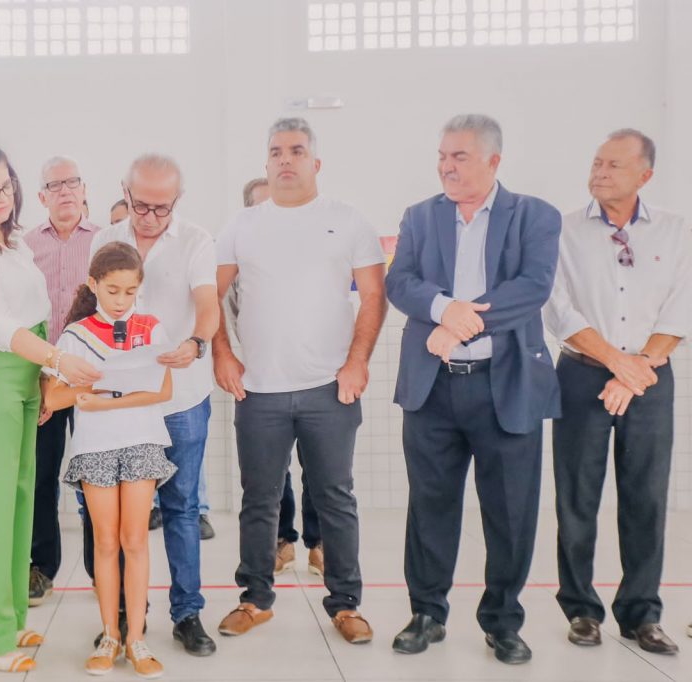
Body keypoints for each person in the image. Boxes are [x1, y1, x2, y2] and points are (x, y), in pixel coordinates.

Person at [386, 114, 561, 665]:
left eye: (459, 156)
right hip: (432, 388)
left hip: (505, 387)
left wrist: (462, 326)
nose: (447, 166)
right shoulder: (419, 215)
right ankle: (427, 613)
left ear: (493, 160)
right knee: (430, 505)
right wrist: (444, 310)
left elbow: (531, 288)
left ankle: (503, 622)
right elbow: (400, 282)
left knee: (510, 512)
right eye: (442, 155)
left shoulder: (534, 215)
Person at [213, 117, 387, 644]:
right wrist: (223, 353)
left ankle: (346, 604)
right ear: (266, 162)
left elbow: (374, 297)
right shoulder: (241, 226)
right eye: (276, 151)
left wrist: (357, 361)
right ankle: (254, 599)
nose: (285, 159)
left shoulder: (348, 220)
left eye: (296, 150)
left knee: (335, 498)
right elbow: (208, 295)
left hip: (329, 389)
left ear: (316, 162)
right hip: (259, 390)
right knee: (259, 500)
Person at [0, 141, 101, 673]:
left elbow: (35, 312)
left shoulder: (12, 242)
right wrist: (57, 360)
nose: (2, 197)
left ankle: (6, 618)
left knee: (17, 502)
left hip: (24, 372)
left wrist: (43, 375)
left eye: (6, 185)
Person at [544, 129, 689, 655]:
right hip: (582, 374)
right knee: (576, 498)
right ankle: (581, 610)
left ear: (644, 175)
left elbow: (681, 306)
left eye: (614, 166)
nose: (600, 173)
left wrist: (637, 369)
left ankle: (641, 613)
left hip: (649, 378)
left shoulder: (675, 231)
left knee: (646, 498)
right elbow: (558, 308)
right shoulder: (562, 230)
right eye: (597, 163)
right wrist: (616, 363)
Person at [90, 153, 219, 657]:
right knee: (126, 518)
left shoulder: (196, 241)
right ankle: (125, 615)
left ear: (177, 200)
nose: (149, 217)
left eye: (162, 208)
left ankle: (187, 614)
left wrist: (196, 343)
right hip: (122, 402)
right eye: (140, 205)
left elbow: (207, 305)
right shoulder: (105, 240)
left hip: (181, 397)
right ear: (124, 192)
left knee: (182, 508)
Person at [43, 242, 176, 679]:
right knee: (104, 541)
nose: (121, 301)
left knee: (135, 540)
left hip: (141, 441)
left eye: (130, 292)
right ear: (93, 284)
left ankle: (136, 638)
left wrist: (103, 400)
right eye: (113, 290)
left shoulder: (151, 327)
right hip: (95, 445)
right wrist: (95, 389)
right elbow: (55, 397)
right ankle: (109, 635)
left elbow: (162, 391)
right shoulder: (76, 335)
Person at [230, 176, 322, 576]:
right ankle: (282, 541)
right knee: (271, 474)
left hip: (316, 380)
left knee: (319, 467)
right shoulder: (236, 264)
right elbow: (232, 317)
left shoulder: (314, 255)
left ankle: (319, 543)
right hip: (262, 382)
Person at [24, 156, 101, 607]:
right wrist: (37, 376)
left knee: (94, 476)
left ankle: (100, 569)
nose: (66, 191)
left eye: (72, 182)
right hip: (42, 379)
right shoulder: (25, 246)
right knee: (41, 477)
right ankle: (41, 567)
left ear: (84, 189)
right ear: (42, 197)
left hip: (91, 380)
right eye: (55, 185)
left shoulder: (104, 241)